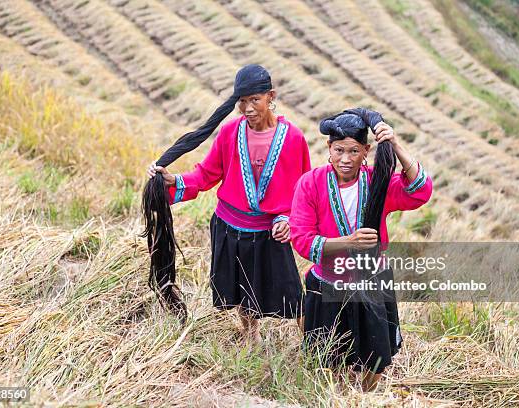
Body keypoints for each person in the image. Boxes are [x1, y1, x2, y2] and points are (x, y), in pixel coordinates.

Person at [146, 64, 311, 342]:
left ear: (271, 96)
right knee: (242, 291)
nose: (248, 108)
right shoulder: (230, 133)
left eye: (255, 100)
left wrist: (288, 219)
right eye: (242, 101)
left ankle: (313, 343)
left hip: (270, 231)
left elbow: (304, 189)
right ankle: (251, 335)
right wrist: (173, 180)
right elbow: (207, 174)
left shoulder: (293, 138)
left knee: (292, 293)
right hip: (230, 228)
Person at [289, 108, 432, 391]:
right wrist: (348, 243)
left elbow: (420, 191)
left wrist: (394, 144)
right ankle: (339, 395)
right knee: (330, 358)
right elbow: (302, 239)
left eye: (354, 151)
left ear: (366, 150)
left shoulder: (376, 182)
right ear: (328, 148)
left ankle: (365, 395)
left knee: (377, 358)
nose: (345, 159)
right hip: (329, 282)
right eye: (338, 150)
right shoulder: (311, 184)